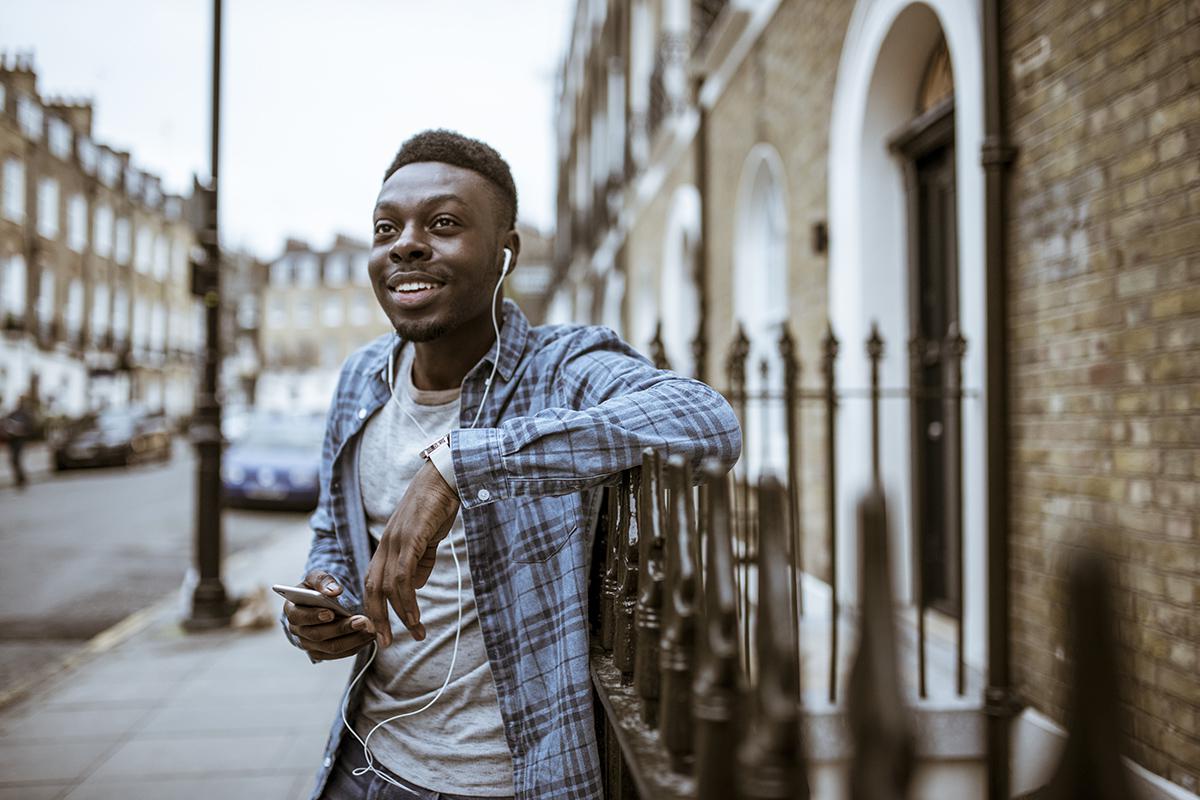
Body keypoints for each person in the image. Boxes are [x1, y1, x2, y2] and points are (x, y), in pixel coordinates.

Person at [281, 130, 741, 800]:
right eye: (386, 227)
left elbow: (707, 421)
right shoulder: (360, 378)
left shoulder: (563, 368)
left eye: (442, 223)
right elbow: (334, 531)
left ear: (507, 251)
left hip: (510, 783)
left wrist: (461, 467)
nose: (405, 243)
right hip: (365, 764)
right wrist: (321, 600)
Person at [3, 393, 38, 488]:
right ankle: (20, 479)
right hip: (12, 440)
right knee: (13, 460)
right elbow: (6, 423)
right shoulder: (13, 413)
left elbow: (31, 427)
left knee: (16, 459)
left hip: (20, 439)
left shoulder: (27, 414)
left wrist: (22, 431)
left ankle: (21, 479)